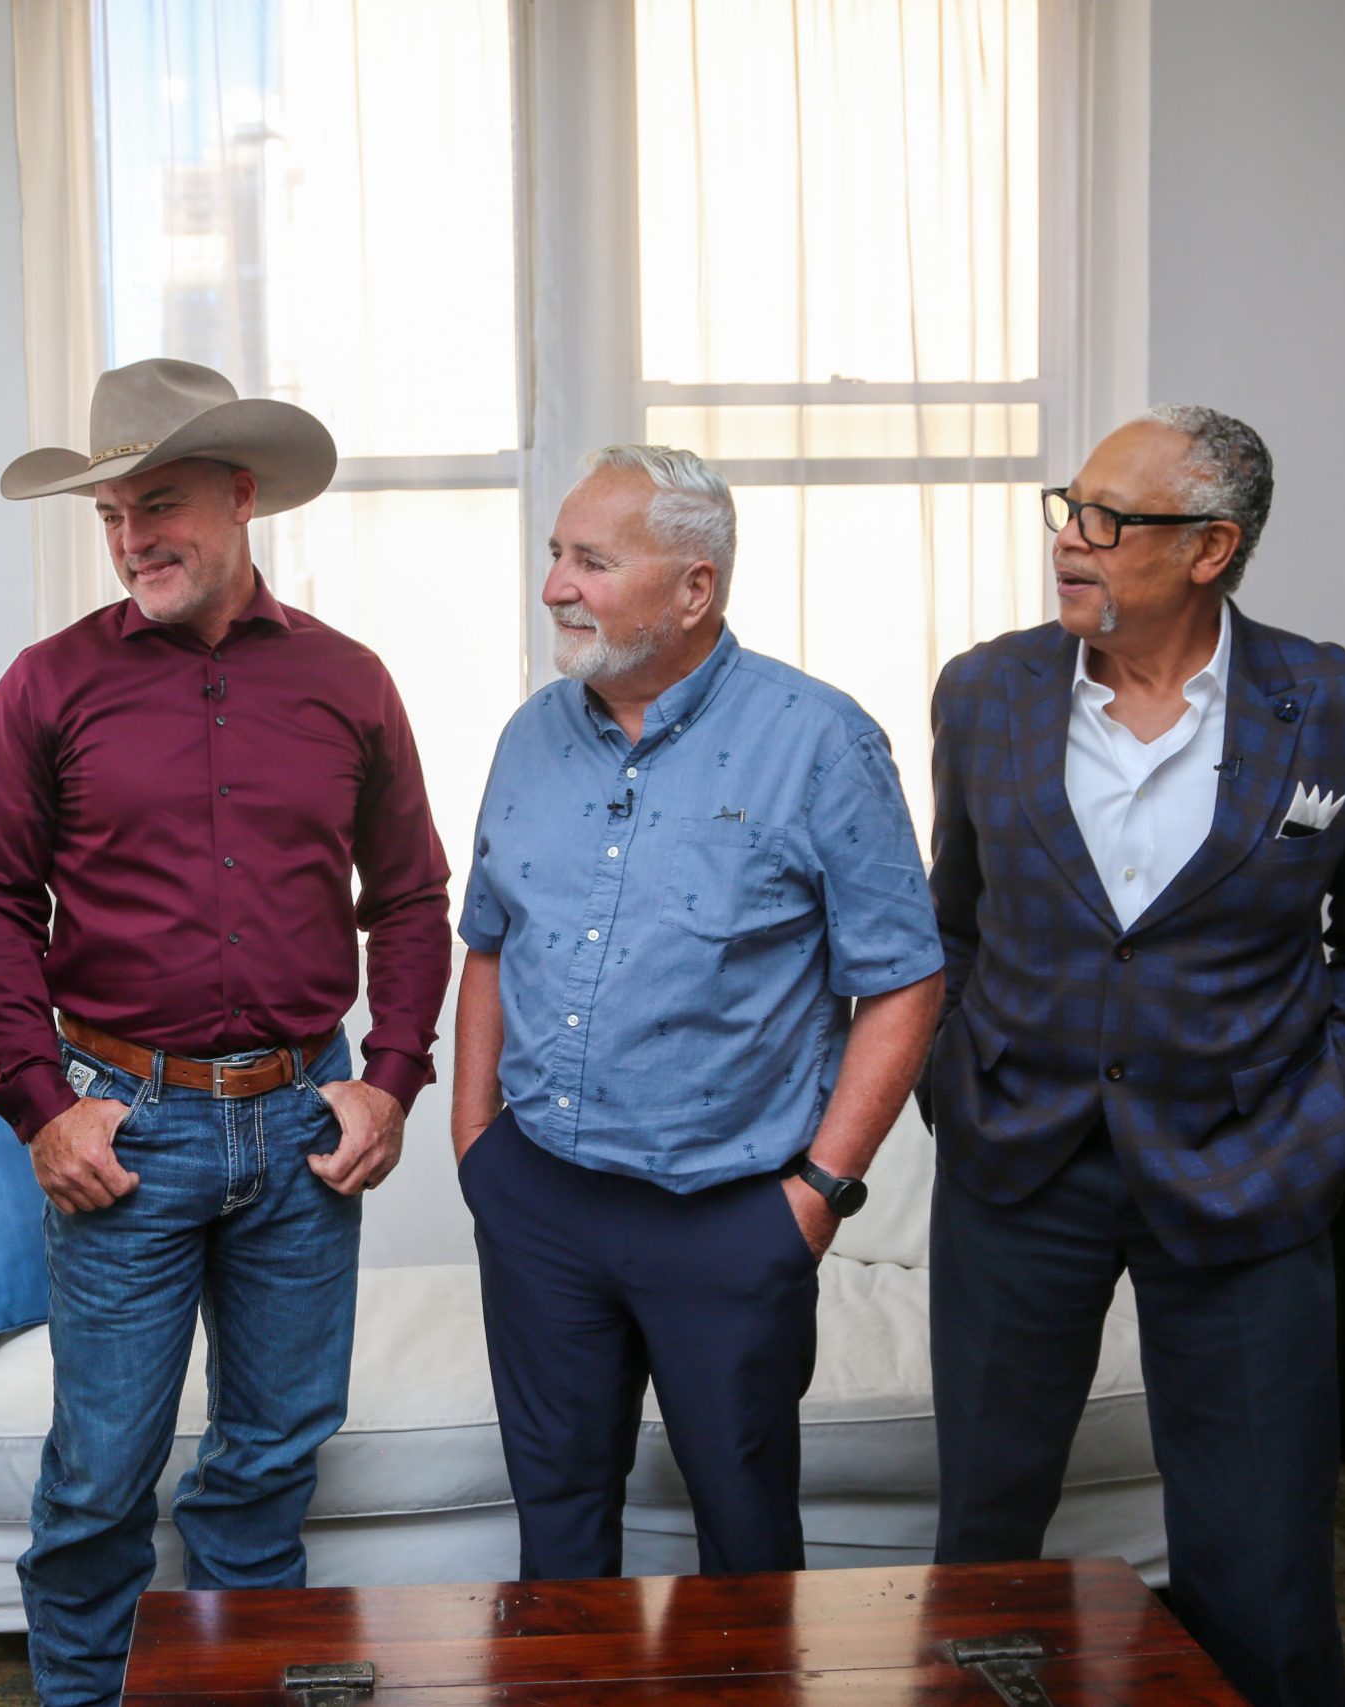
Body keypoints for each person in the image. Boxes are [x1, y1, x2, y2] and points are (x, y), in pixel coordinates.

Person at [0, 358, 452, 1707]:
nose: (131, 539)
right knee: (102, 1470)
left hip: (303, 1122)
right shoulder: (48, 685)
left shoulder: (349, 680)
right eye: (111, 514)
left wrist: (393, 1078)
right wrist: (41, 1104)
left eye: (157, 504)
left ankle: (243, 1691)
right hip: (126, 1126)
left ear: (240, 497)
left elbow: (411, 896)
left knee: (273, 1454)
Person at [921, 407, 1345, 1707]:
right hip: (1017, 1165)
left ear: (1211, 547)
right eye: (1068, 508)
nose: (1069, 542)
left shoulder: (1343, 708)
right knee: (983, 1532)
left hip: (1246, 1171)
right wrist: (953, 1081)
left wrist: (1321, 1120)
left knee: (1263, 1557)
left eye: (1107, 520)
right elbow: (949, 923)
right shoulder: (983, 693)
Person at [450, 444, 944, 1579]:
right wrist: (477, 1141)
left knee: (746, 1532)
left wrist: (818, 1193)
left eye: (591, 561)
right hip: (540, 1202)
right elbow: (489, 940)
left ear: (693, 588)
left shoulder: (820, 741)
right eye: (555, 555)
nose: (554, 587)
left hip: (728, 1218)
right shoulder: (530, 736)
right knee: (557, 1526)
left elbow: (905, 978)